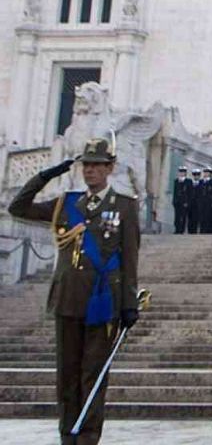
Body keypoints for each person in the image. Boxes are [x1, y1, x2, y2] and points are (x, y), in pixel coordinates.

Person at [8, 139, 140, 445]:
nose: (90, 171)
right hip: (67, 298)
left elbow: (130, 256)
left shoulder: (124, 206)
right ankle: (67, 434)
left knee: (92, 373)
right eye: (86, 165)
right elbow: (18, 208)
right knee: (66, 373)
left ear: (110, 168)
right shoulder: (66, 203)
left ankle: (88, 436)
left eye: (97, 165)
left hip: (103, 302)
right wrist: (45, 177)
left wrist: (129, 303)